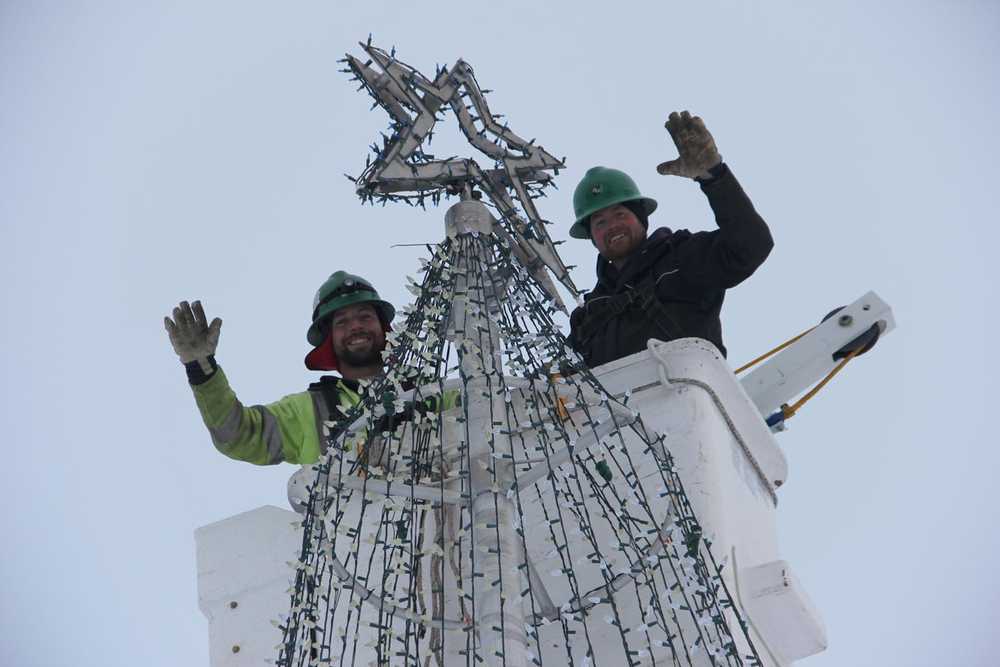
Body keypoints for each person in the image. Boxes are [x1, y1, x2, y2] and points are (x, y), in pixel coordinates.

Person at [567, 110, 774, 368]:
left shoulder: (683, 258)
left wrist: (714, 176)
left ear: (641, 218)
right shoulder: (588, 318)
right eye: (600, 222)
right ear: (592, 238)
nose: (612, 226)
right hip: (619, 408)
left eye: (620, 214)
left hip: (689, 400)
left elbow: (752, 245)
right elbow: (560, 384)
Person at [165, 271, 402, 465]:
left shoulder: (430, 391)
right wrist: (200, 367)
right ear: (329, 340)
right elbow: (237, 434)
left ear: (384, 328)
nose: (355, 327)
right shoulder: (308, 410)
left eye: (365, 316)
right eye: (342, 322)